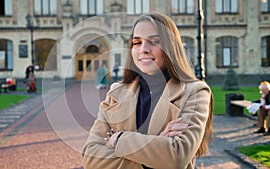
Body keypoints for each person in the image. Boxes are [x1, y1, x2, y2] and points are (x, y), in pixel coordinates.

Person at [82, 12, 213, 169]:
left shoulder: (195, 92)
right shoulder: (115, 93)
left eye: (154, 41)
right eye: (137, 42)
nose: (143, 49)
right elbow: (90, 158)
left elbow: (177, 157)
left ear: (171, 46)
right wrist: (156, 147)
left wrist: (118, 140)